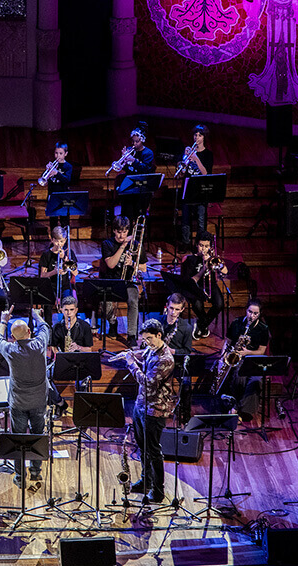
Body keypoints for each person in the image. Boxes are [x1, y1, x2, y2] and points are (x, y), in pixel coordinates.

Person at [0, 307, 50, 490]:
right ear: (29, 332)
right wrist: (37, 315)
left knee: (18, 440)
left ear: (13, 337)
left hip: (18, 403)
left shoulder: (11, 349)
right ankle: (35, 471)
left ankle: (19, 476)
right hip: (39, 401)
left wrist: (3, 320)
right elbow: (45, 328)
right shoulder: (39, 344)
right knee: (37, 436)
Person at [123, 319, 176, 504]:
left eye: (149, 338)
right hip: (141, 405)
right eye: (144, 339)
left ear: (159, 336)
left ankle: (158, 490)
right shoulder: (151, 349)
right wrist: (132, 354)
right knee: (142, 447)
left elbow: (147, 382)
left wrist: (130, 363)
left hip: (155, 409)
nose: (147, 342)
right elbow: (144, 355)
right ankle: (146, 481)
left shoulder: (166, 359)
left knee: (154, 451)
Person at [220, 299, 269, 422]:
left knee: (256, 380)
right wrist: (222, 357)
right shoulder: (237, 322)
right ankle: (237, 408)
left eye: (255, 314)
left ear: (259, 314)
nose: (251, 316)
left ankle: (240, 408)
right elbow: (227, 341)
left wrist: (248, 352)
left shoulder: (263, 328)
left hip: (254, 358)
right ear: (246, 310)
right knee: (239, 376)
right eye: (249, 312)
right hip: (238, 357)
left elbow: (261, 351)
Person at [99, 216, 147, 346]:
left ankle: (131, 334)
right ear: (114, 230)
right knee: (104, 302)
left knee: (133, 300)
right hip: (111, 280)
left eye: (124, 232)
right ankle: (113, 323)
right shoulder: (107, 244)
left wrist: (132, 263)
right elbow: (111, 264)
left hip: (128, 281)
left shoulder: (136, 245)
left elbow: (143, 267)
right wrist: (123, 246)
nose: (121, 235)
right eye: (119, 232)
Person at [182, 231, 227, 339]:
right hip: (195, 287)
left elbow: (225, 272)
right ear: (197, 245)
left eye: (206, 246)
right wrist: (204, 269)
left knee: (220, 304)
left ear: (210, 247)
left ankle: (201, 325)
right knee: (197, 305)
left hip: (210, 284)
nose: (203, 249)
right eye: (201, 245)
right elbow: (190, 281)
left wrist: (219, 265)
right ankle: (203, 326)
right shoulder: (190, 259)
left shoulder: (212, 258)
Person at [178, 124, 215, 249]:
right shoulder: (189, 152)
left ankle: (199, 245)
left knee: (200, 220)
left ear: (204, 137)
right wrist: (186, 157)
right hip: (188, 189)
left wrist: (196, 159)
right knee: (185, 219)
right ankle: (185, 243)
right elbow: (182, 171)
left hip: (201, 191)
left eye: (200, 135)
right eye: (195, 135)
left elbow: (206, 173)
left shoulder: (208, 154)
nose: (196, 138)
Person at [159, 293, 194, 422]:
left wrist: (172, 351)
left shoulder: (186, 327)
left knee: (186, 384)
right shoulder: (158, 323)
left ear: (182, 310)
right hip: (160, 362)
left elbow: (187, 351)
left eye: (177, 309)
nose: (173, 313)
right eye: (171, 308)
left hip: (177, 362)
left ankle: (186, 417)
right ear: (167, 306)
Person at [112, 125, 156, 224]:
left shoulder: (148, 153)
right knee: (126, 216)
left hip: (141, 190)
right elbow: (127, 169)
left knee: (138, 216)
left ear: (143, 141)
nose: (134, 144)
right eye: (133, 141)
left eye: (137, 142)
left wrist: (133, 160)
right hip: (129, 188)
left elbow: (145, 170)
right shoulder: (130, 150)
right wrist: (122, 162)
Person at [39, 226, 78, 319]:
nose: (59, 244)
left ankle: (67, 325)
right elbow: (42, 275)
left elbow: (75, 273)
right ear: (52, 240)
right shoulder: (46, 254)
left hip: (65, 285)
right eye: (57, 241)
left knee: (69, 303)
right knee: (47, 304)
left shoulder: (69, 253)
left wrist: (64, 258)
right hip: (50, 285)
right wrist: (54, 272)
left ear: (65, 240)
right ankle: (48, 325)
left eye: (61, 241)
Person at [46, 142, 74, 230]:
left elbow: (67, 180)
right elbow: (46, 181)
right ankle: (54, 241)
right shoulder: (52, 165)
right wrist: (47, 173)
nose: (58, 156)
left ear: (66, 154)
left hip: (63, 196)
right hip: (52, 195)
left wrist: (56, 173)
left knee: (64, 220)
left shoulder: (68, 166)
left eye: (61, 153)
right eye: (56, 153)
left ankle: (64, 241)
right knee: (53, 220)